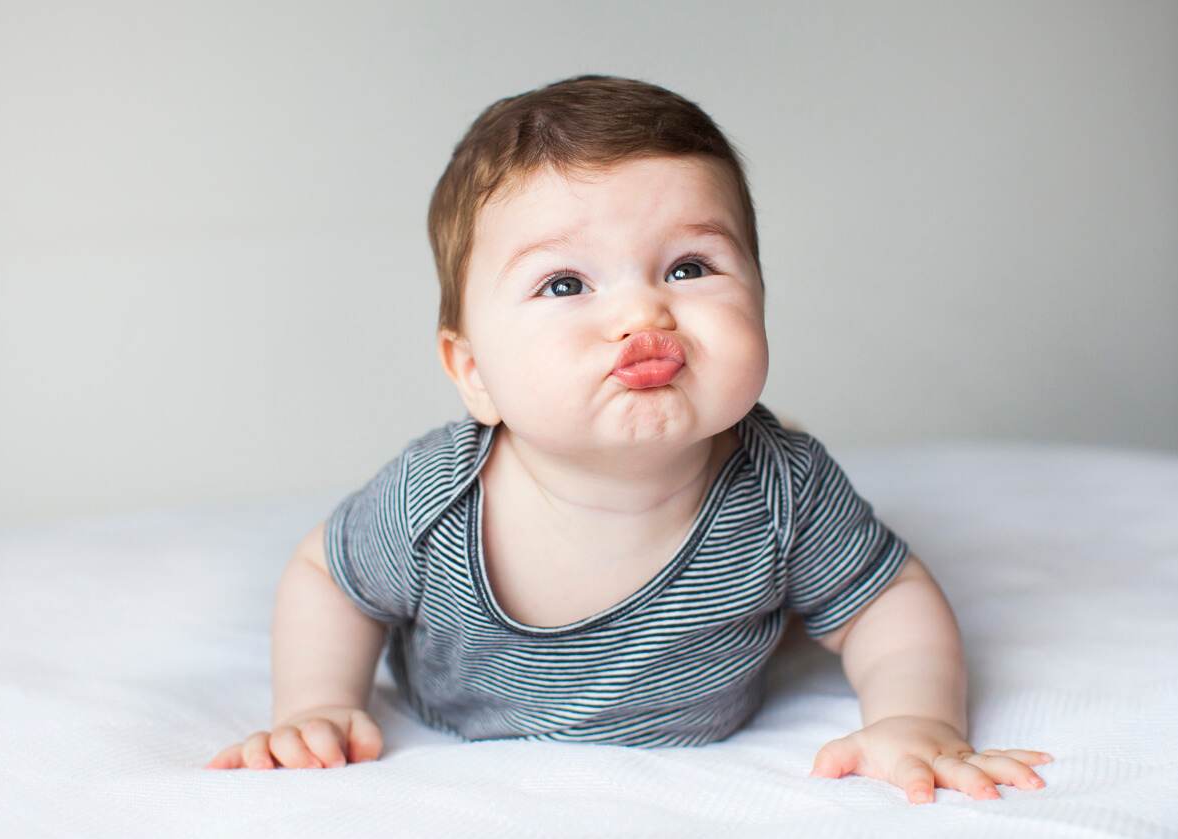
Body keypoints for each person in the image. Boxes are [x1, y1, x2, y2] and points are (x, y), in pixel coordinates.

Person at [207, 75, 1050, 803]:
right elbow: (329, 575)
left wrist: (914, 716)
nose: (642, 313)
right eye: (564, 283)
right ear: (474, 373)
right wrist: (314, 702)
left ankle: (789, 594)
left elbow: (889, 600)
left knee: (824, 554)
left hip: (720, 656)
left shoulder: (781, 486)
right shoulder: (434, 498)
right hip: (457, 717)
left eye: (688, 267)